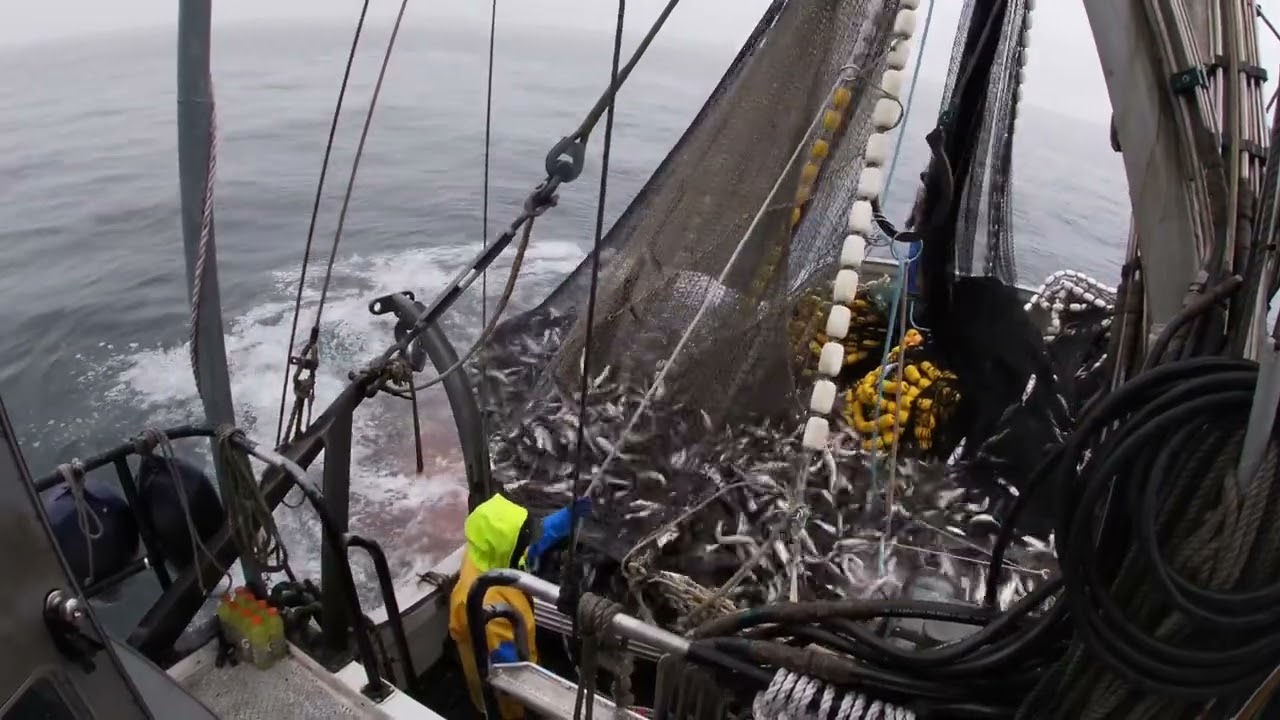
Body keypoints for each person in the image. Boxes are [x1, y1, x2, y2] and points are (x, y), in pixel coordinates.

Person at [448, 493, 588, 719]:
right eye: (522, 540)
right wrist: (551, 692)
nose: (528, 544)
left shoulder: (485, 553)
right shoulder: (485, 608)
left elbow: (527, 547)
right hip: (507, 704)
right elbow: (512, 676)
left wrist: (565, 518)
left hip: (519, 650)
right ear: (506, 548)